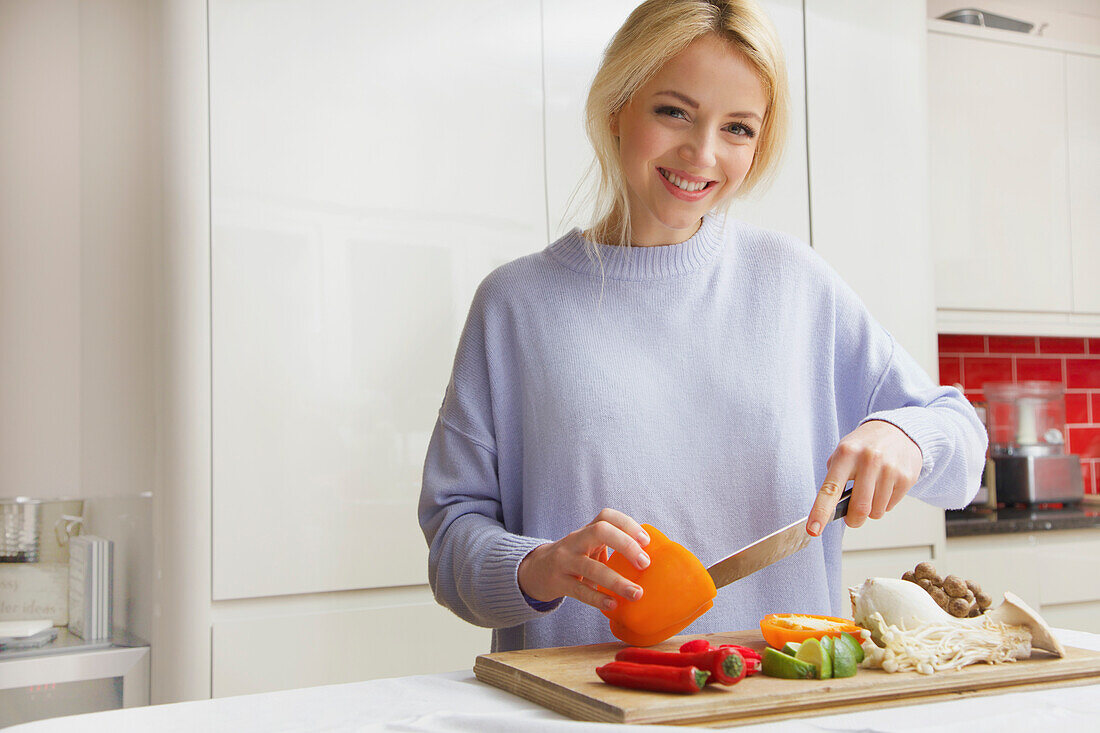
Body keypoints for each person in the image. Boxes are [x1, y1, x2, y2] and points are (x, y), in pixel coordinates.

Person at [418, 0, 987, 653]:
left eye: (738, 128)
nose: (703, 152)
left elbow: (963, 443)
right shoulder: (515, 305)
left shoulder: (797, 285)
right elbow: (452, 534)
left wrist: (907, 432)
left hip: (777, 706)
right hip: (582, 710)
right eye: (674, 111)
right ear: (617, 106)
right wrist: (536, 567)